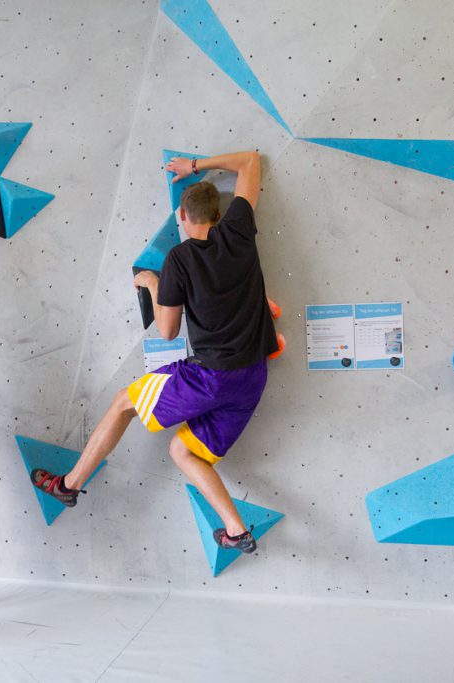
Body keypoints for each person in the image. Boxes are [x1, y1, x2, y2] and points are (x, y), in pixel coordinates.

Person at [32, 150, 277, 553]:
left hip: (211, 378)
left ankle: (68, 485)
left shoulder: (179, 259)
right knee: (183, 451)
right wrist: (195, 167)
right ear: (219, 213)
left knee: (121, 404)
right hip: (252, 377)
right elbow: (252, 161)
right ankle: (236, 529)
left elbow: (167, 332)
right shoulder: (238, 231)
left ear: (182, 216)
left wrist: (150, 282)